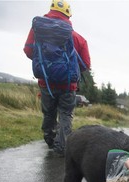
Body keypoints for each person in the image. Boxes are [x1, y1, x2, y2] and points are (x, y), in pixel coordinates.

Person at [23, 0, 91, 156]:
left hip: (45, 82)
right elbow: (86, 64)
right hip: (68, 85)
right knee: (66, 114)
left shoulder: (38, 30)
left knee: (49, 113)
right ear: (68, 14)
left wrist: (44, 63)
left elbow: (28, 50)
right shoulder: (78, 38)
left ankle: (49, 138)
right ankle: (62, 147)